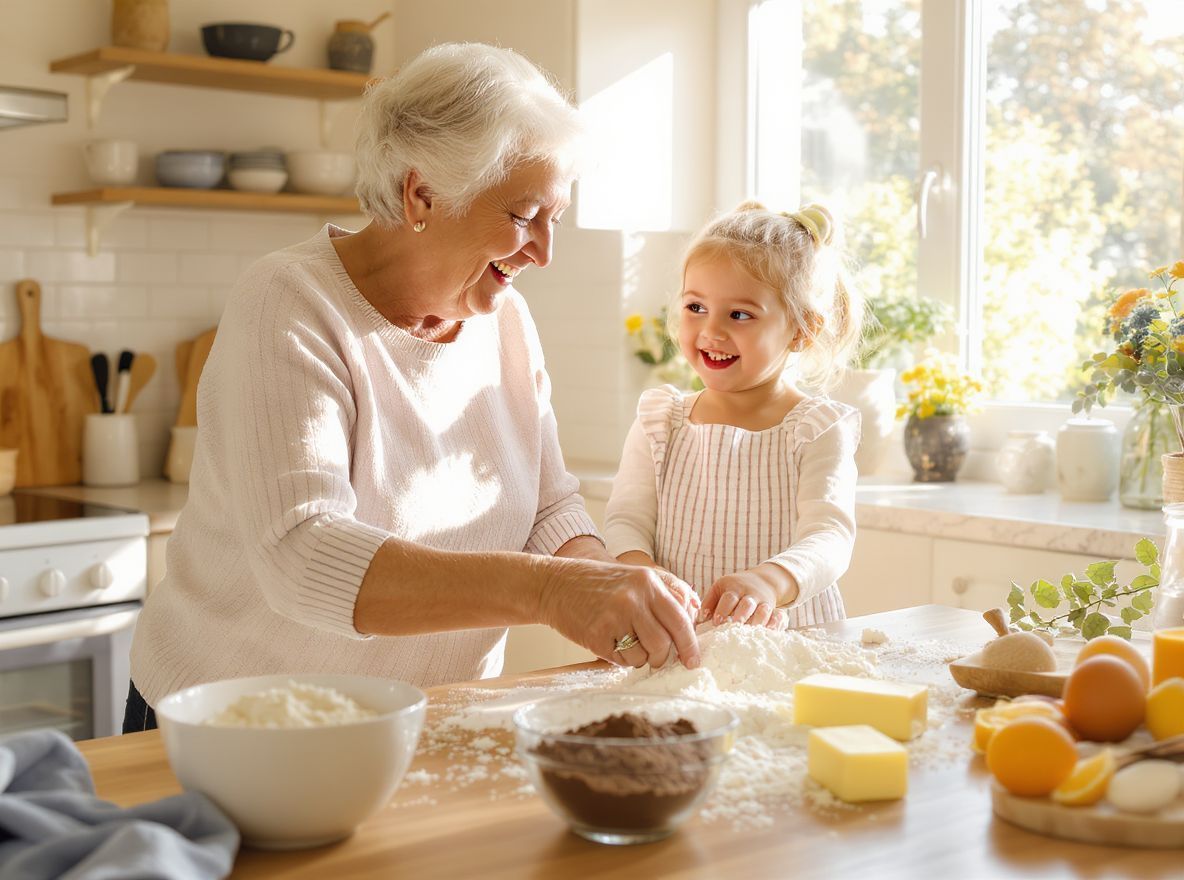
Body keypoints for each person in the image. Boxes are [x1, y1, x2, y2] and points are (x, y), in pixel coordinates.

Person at [124, 43, 702, 733]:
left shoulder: (505, 319)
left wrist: (606, 590)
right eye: (523, 216)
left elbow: (549, 508)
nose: (544, 252)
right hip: (236, 728)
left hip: (426, 722)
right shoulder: (289, 302)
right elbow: (304, 556)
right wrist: (553, 592)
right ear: (421, 193)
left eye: (556, 219)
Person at [603, 201, 862, 631]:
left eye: (739, 314)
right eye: (696, 307)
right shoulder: (660, 420)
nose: (711, 331)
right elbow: (626, 520)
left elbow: (830, 537)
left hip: (790, 642)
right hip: (680, 636)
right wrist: (643, 572)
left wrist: (770, 582)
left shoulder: (816, 429)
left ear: (802, 331)